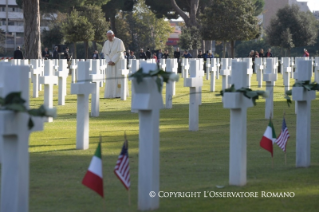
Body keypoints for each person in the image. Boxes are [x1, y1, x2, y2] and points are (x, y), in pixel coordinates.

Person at [101, 30, 127, 98]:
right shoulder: (106, 43)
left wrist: (113, 61)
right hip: (109, 63)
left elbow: (119, 53)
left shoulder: (119, 41)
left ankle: (118, 94)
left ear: (113, 35)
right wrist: (109, 61)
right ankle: (110, 94)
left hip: (117, 62)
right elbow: (105, 53)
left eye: (110, 37)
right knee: (110, 78)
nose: (109, 38)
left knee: (118, 77)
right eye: (108, 37)